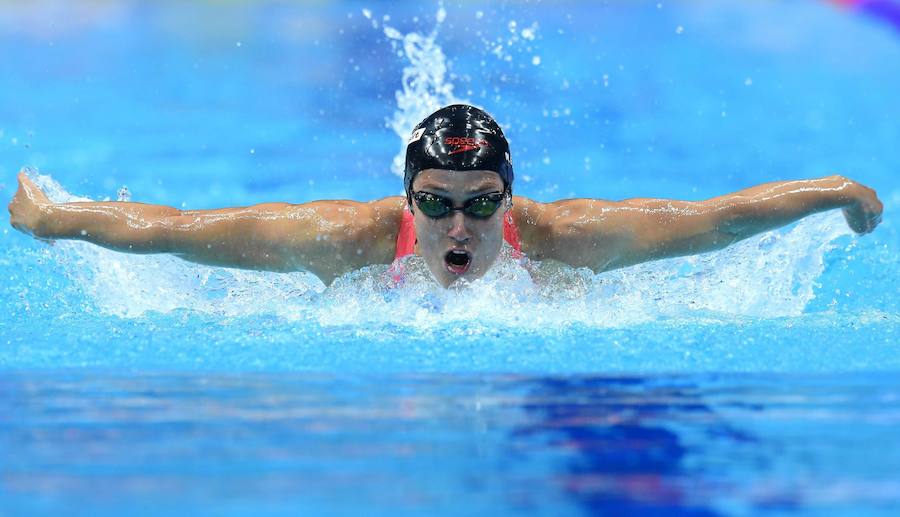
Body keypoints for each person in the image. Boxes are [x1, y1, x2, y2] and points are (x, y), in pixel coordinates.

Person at [7, 104, 883, 288]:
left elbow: (717, 218)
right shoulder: (337, 238)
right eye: (434, 204)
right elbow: (174, 230)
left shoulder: (570, 236)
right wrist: (56, 219)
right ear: (405, 205)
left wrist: (837, 191)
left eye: (480, 202)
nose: (459, 225)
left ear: (512, 198)